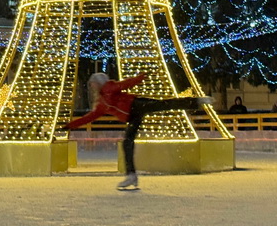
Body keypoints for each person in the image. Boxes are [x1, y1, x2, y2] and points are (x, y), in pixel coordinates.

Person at [64, 72, 213, 189]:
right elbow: (89, 117)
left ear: (98, 83)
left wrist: (139, 78)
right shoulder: (101, 103)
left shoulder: (109, 87)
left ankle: (197, 101)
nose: (92, 87)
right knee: (127, 142)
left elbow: (124, 84)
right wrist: (71, 125)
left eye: (93, 84)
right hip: (132, 116)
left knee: (164, 105)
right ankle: (131, 175)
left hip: (136, 105)